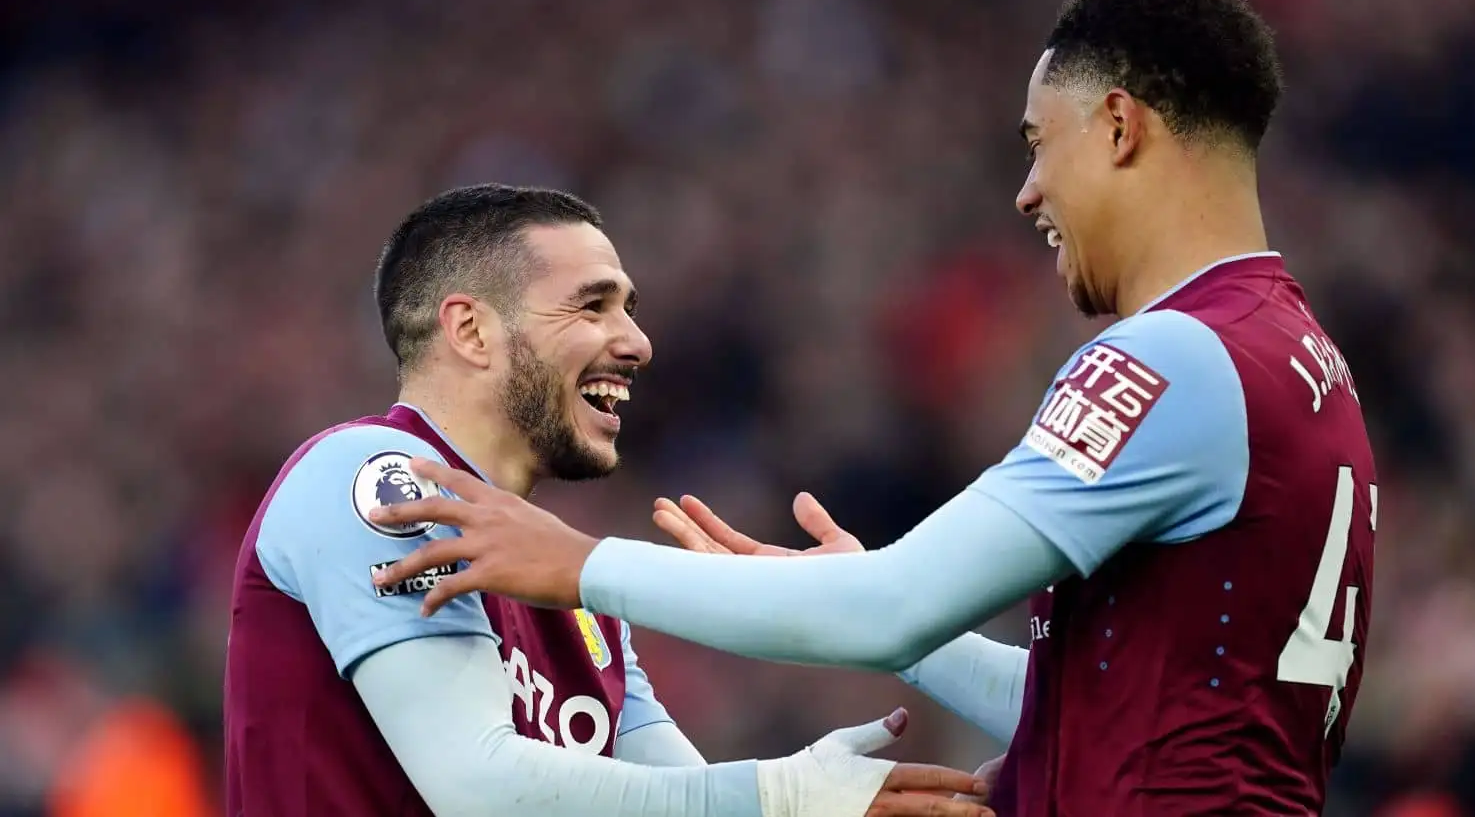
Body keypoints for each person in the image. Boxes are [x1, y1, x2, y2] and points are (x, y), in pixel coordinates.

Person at [368, 0, 1379, 815]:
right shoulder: (1299, 360)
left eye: (1037, 142)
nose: (1027, 190)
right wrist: (883, 611)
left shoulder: (1168, 360)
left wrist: (581, 563)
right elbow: (1135, 702)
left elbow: (890, 609)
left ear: (1118, 126)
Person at [222, 183, 993, 817]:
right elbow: (478, 785)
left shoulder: (572, 591)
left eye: (628, 307)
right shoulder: (367, 474)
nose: (637, 341)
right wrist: (784, 796)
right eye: (592, 307)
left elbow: (679, 798)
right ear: (471, 330)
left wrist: (830, 803)